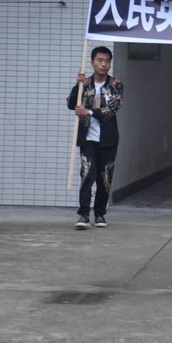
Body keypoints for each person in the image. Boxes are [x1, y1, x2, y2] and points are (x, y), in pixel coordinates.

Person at [66, 46, 123, 230]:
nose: (104, 64)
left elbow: (112, 108)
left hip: (108, 140)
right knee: (87, 175)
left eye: (107, 61)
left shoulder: (116, 85)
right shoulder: (85, 84)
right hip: (88, 139)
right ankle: (83, 214)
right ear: (92, 62)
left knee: (104, 178)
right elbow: (71, 104)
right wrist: (77, 86)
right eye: (100, 60)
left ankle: (99, 214)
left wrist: (89, 112)